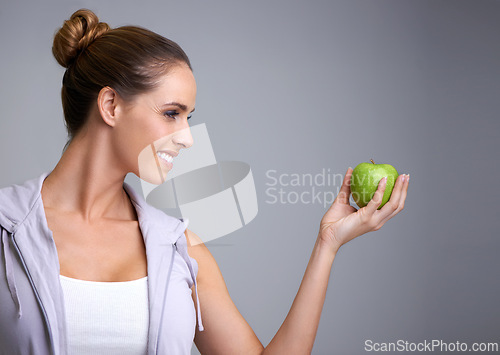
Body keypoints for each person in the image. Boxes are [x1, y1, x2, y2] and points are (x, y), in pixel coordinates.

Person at [0, 8, 410, 355]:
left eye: (188, 117)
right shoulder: (5, 231)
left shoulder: (181, 250)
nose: (188, 137)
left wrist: (328, 244)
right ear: (110, 105)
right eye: (171, 113)